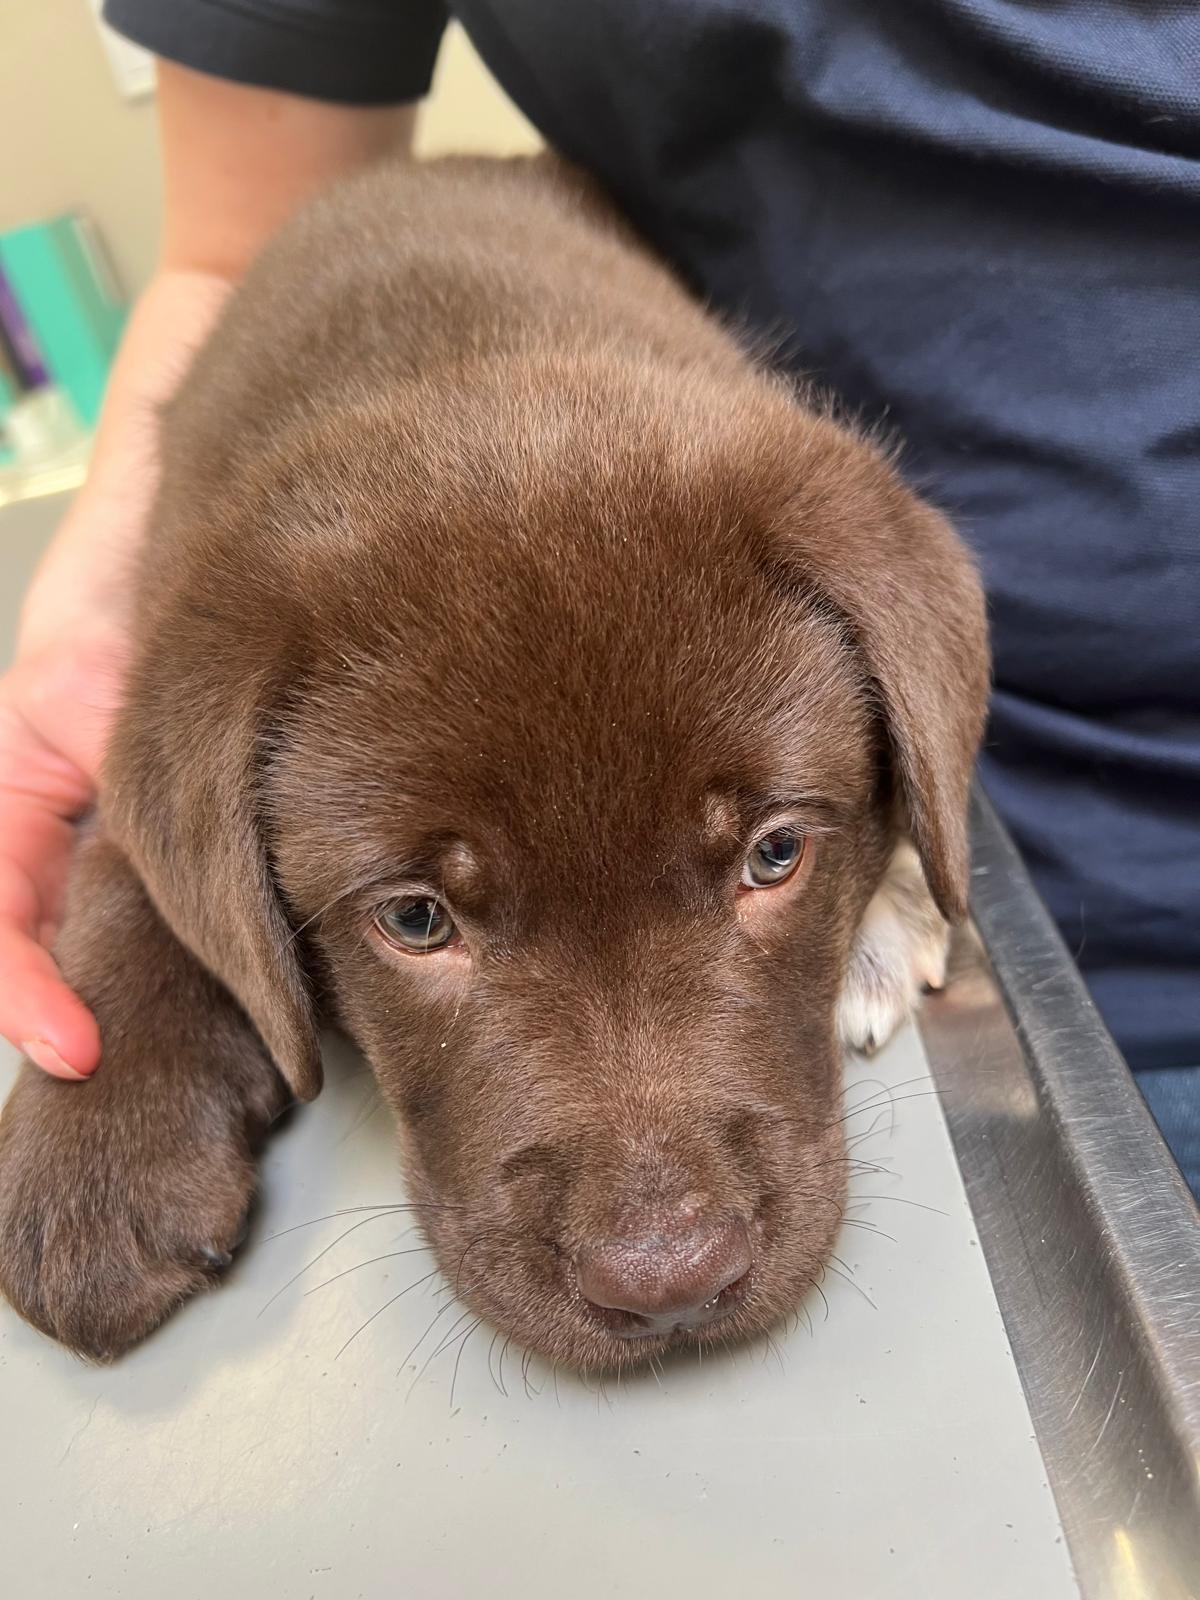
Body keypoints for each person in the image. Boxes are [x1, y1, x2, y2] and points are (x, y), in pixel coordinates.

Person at [3, 2, 1197, 1196]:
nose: (655, 1246)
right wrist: (128, 809)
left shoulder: (765, 541)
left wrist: (884, 836)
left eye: (771, 853)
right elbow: (223, 255)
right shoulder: (277, 642)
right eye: (420, 916)